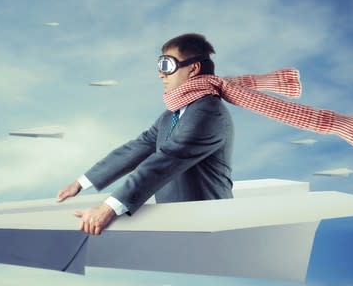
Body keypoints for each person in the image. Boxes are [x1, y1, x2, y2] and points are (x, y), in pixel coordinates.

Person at [56, 33, 234, 235]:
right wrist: (81, 182)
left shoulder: (208, 112)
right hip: (175, 223)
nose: (161, 74)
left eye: (167, 65)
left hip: (209, 226)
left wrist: (110, 207)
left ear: (193, 69)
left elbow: (168, 158)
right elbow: (139, 146)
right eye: (160, 66)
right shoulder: (172, 115)